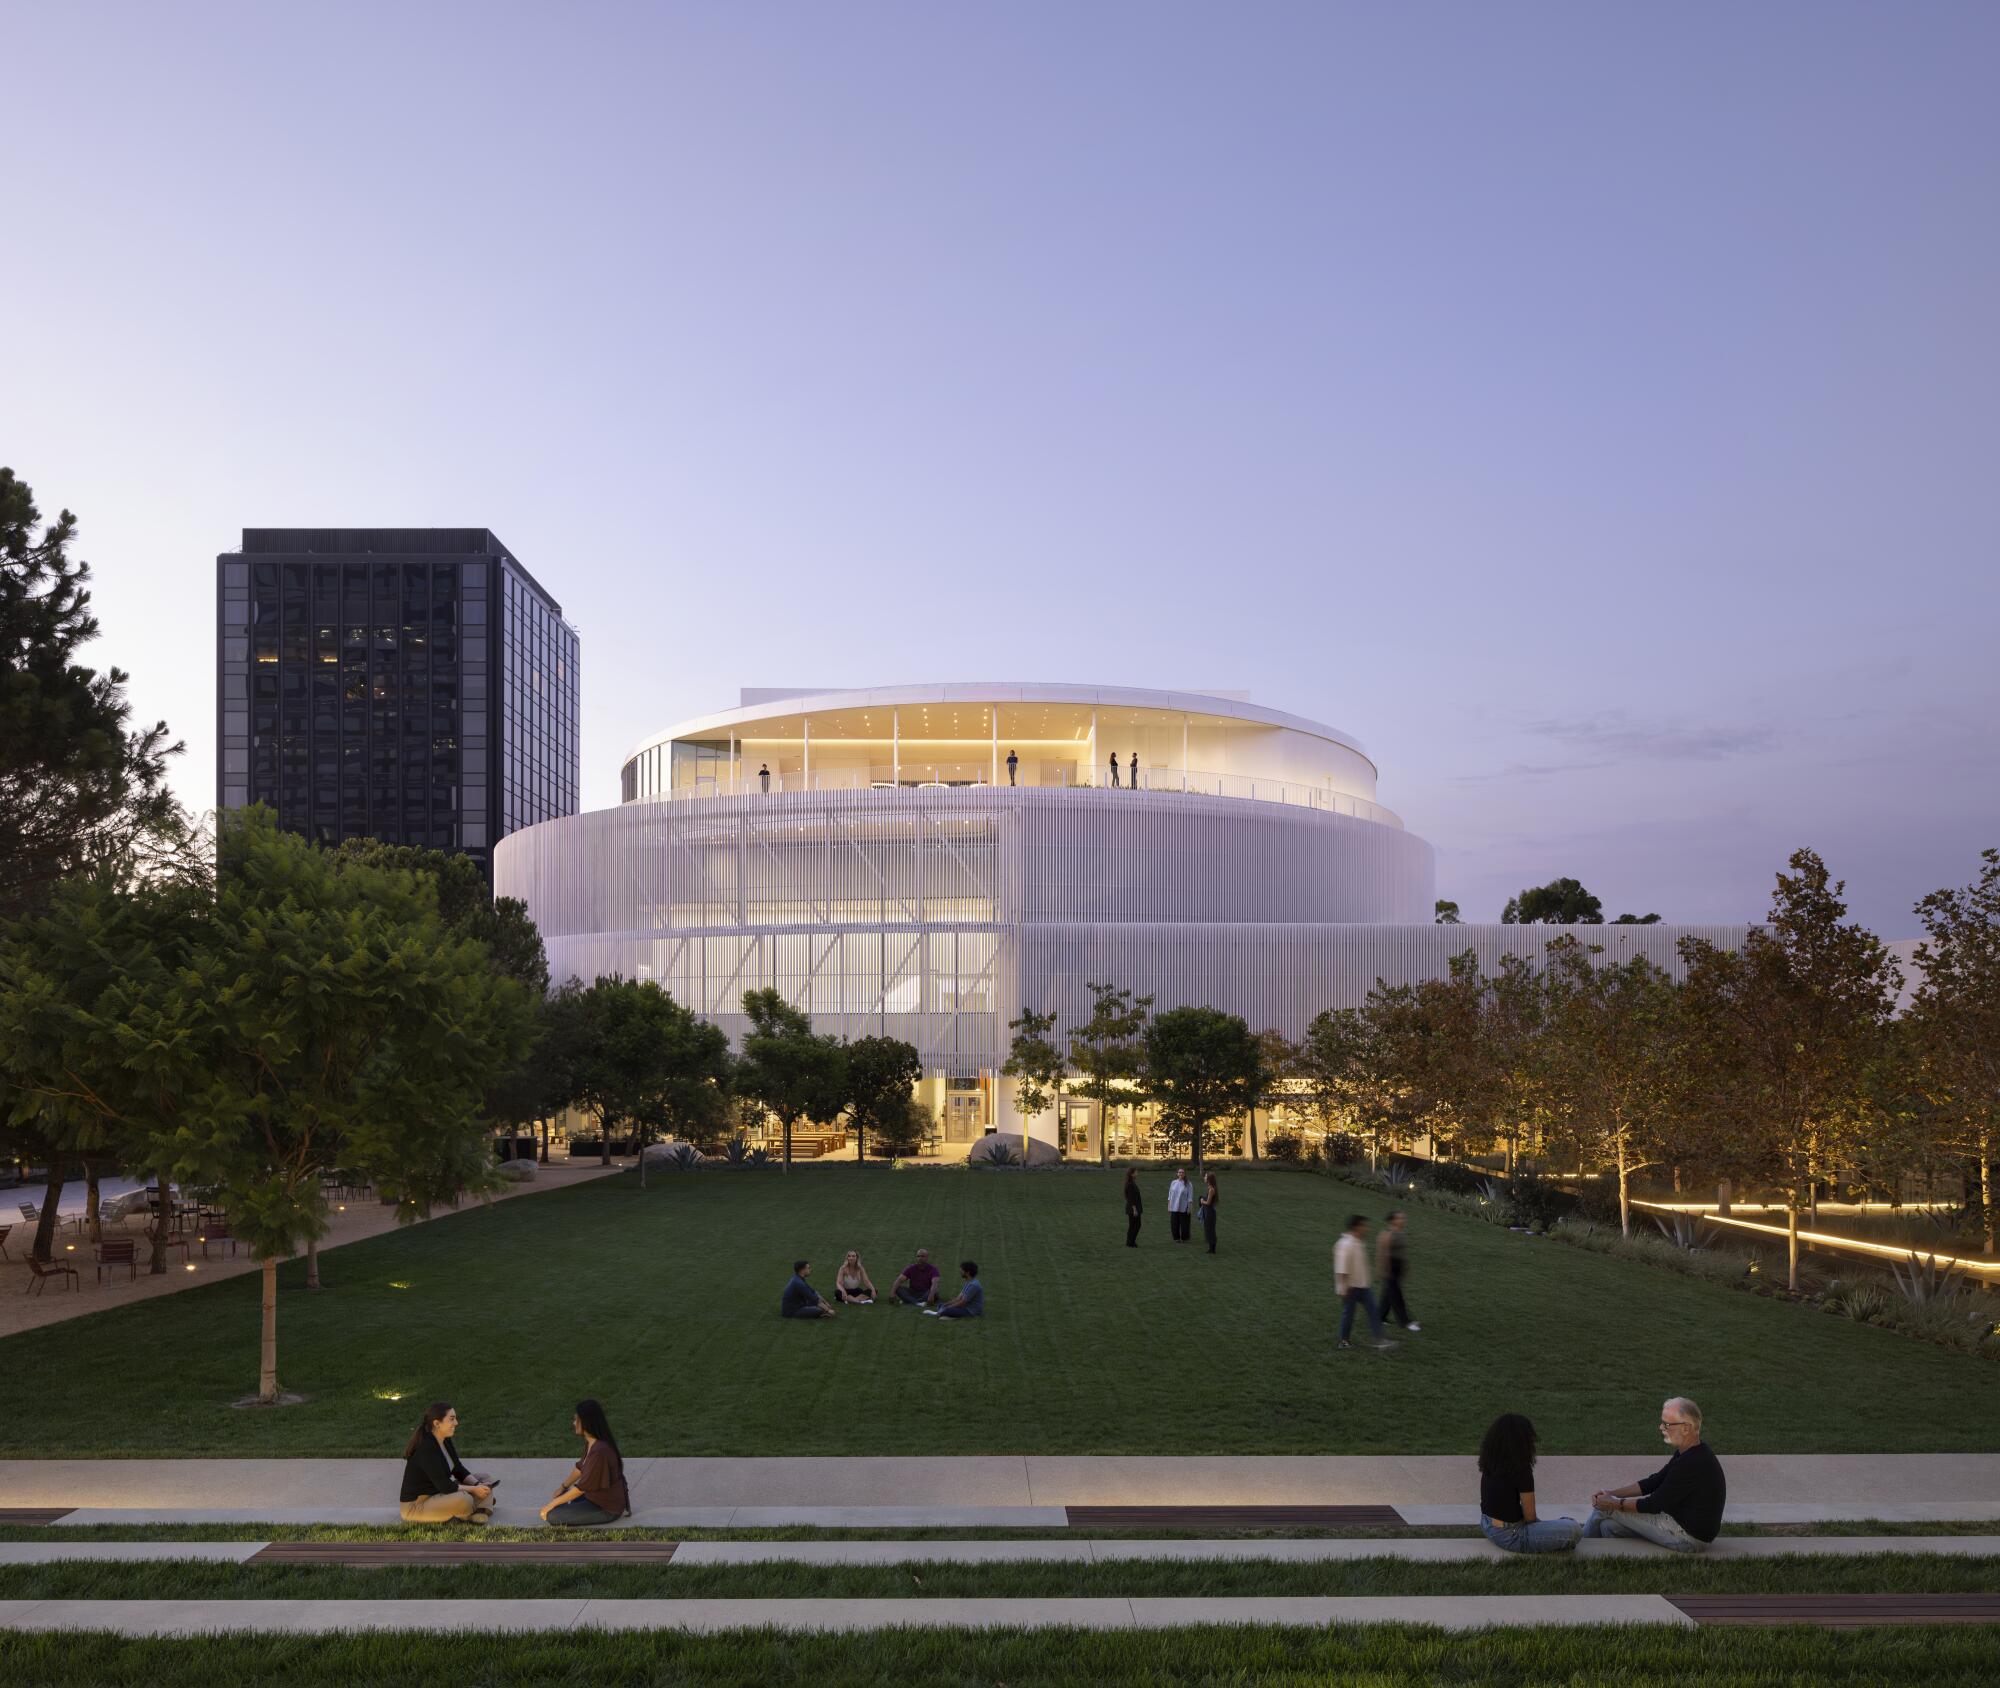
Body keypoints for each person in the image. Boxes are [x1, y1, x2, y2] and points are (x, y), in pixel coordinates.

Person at [1582, 1398, 1725, 1552]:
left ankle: (1579, 1551)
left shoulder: (1693, 1462)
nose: (1661, 1427)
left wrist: (1613, 1503)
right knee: (1609, 1526)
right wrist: (1611, 1494)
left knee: (1603, 1510)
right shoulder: (1689, 1452)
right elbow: (1653, 1482)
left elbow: (1654, 1504)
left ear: (1686, 1428)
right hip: (1679, 1525)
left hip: (1688, 1537)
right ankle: (1610, 1558)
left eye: (1667, 1424)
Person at [1477, 1413, 1580, 1553]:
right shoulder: (1521, 1470)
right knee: (1574, 1529)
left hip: (1487, 1524)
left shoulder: (1490, 1462)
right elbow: (1530, 1517)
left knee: (1564, 1525)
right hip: (1513, 1535)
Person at [398, 1402, 495, 1525]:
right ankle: (479, 1506)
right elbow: (445, 1486)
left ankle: (477, 1509)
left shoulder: (445, 1440)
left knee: (485, 1478)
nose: (456, 1423)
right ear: (437, 1423)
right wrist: (475, 1490)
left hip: (438, 1495)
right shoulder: (426, 1448)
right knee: (464, 1499)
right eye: (452, 1419)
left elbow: (458, 1469)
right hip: (416, 1506)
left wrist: (477, 1484)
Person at [540, 1398, 631, 1527]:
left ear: (587, 1422)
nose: (573, 1423)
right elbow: (580, 1468)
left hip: (606, 1508)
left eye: (576, 1420)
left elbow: (581, 1488)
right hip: (592, 1497)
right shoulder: (593, 1443)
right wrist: (563, 1487)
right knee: (559, 1503)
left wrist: (550, 1505)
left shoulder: (599, 1451)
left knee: (552, 1515)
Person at [1334, 1214, 1396, 1350]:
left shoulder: (1357, 1242)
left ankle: (1379, 1340)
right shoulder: (1346, 1244)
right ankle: (1344, 1341)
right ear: (1357, 1227)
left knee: (1374, 1311)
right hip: (1350, 1288)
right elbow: (1341, 1268)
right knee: (1348, 1315)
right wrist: (1343, 1288)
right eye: (1364, 1226)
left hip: (1363, 1286)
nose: (1367, 1229)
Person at [1377, 1209, 1419, 1332]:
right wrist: (1385, 1270)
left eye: (1403, 1218)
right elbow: (1383, 1253)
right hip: (1390, 1268)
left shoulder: (1400, 1233)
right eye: (1400, 1218)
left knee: (1388, 1294)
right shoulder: (1387, 1234)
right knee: (1397, 1296)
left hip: (1397, 1267)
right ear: (1393, 1220)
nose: (1403, 1220)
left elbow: (1402, 1252)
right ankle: (1405, 1321)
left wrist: (1404, 1267)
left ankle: (1379, 1317)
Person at [1167, 1166, 1193, 1242]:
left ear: (1185, 1174)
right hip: (1174, 1206)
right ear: (1177, 1173)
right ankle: (1176, 1238)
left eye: (1182, 1172)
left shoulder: (1188, 1184)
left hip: (1184, 1207)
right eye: (1179, 1172)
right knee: (1174, 1224)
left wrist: (1189, 1208)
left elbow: (1190, 1197)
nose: (1181, 1173)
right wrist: (1169, 1206)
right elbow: (1170, 1196)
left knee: (1185, 1224)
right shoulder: (1173, 1182)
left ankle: (1184, 1237)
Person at [1199, 1170, 1218, 1254]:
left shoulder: (1211, 1190)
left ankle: (1212, 1249)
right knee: (1208, 1229)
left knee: (1210, 1230)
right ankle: (1211, 1248)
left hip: (1210, 1212)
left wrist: (1202, 1201)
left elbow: (1208, 1203)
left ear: (1209, 1179)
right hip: (1208, 1212)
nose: (1204, 1178)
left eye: (1206, 1176)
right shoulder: (1210, 1188)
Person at [1123, 1168, 1143, 1247]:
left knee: (1133, 1225)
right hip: (1133, 1208)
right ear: (1132, 1174)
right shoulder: (1130, 1184)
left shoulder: (1131, 1183)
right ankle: (1131, 1242)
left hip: (1133, 1207)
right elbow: (1131, 1198)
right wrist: (1134, 1210)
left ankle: (1130, 1242)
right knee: (1136, 1225)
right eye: (1136, 1172)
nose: (1137, 1173)